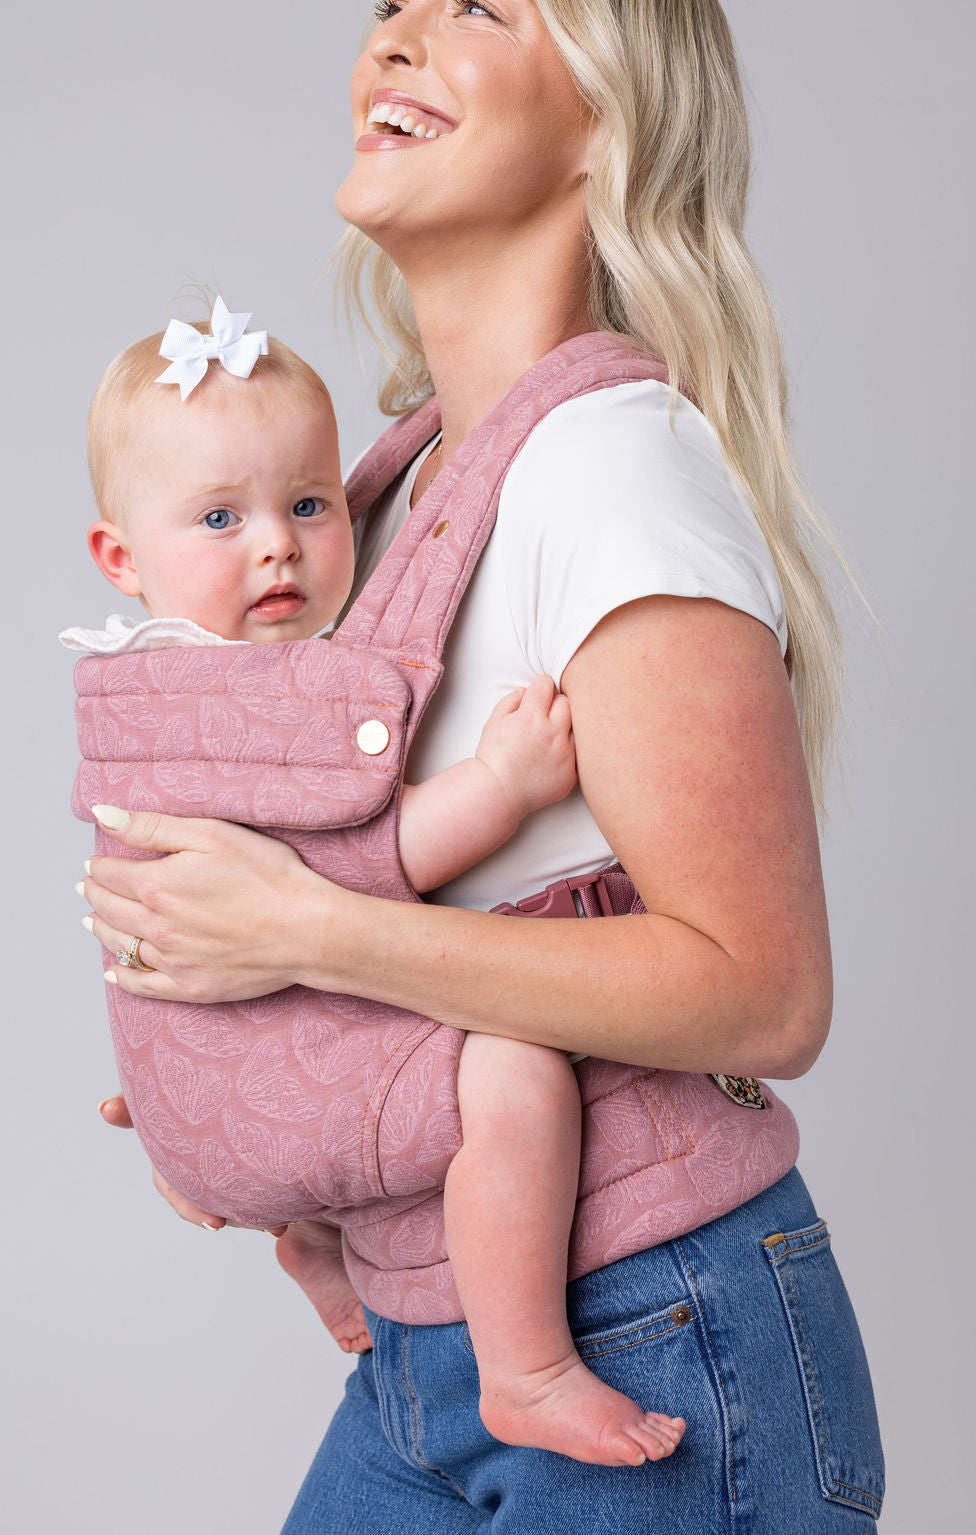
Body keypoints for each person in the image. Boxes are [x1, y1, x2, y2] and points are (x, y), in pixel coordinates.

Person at [82, 0, 885, 1528]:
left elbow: (768, 993)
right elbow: (321, 874)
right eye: (390, 10)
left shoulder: (611, 468)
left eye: (479, 7)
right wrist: (228, 1053)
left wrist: (308, 936)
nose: (392, 37)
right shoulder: (370, 493)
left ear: (605, 115)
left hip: (658, 1323)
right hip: (422, 1344)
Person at [67, 311, 692, 1465]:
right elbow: (353, 859)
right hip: (235, 1098)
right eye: (220, 517)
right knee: (511, 1067)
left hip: (187, 1096)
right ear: (120, 554)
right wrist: (498, 786)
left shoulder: (136, 685)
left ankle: (316, 1241)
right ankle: (530, 1367)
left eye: (308, 504)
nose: (280, 548)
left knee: (362, 1021)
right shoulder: (245, 701)